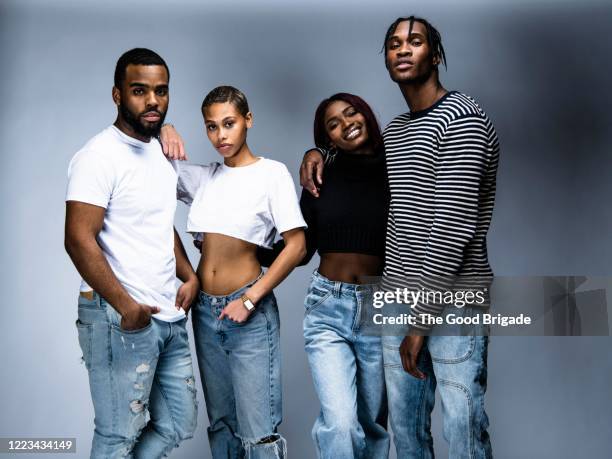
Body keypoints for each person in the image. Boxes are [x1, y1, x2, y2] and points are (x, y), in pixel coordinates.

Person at [300, 16, 499, 459]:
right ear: (388, 61)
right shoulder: (397, 130)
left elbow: (451, 230)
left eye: (415, 41)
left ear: (435, 53)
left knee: (463, 429)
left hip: (449, 305)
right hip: (392, 304)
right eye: (394, 44)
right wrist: (317, 152)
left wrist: (419, 323)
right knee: (407, 437)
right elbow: (359, 164)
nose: (403, 49)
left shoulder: (462, 117)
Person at [64, 48, 199, 458]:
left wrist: (189, 276)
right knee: (117, 435)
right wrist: (126, 307)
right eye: (140, 90)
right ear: (117, 95)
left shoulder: (160, 152)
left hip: (168, 314)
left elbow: (160, 221)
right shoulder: (97, 156)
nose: (153, 101)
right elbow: (78, 239)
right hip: (119, 316)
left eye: (161, 91)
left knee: (178, 421)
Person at [172, 86, 306, 459]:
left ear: (248, 120)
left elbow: (297, 245)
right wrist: (165, 128)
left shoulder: (271, 174)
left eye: (229, 123)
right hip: (204, 311)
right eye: (211, 127)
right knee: (222, 426)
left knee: (258, 432)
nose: (221, 135)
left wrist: (250, 298)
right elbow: (146, 162)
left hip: (248, 310)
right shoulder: (204, 177)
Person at [260, 92, 390, 458]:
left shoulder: (396, 167)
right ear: (326, 138)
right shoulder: (320, 175)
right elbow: (301, 250)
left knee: (373, 426)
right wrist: (239, 247)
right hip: (328, 306)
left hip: (380, 306)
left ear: (366, 114)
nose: (347, 124)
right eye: (334, 123)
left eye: (352, 114)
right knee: (340, 422)